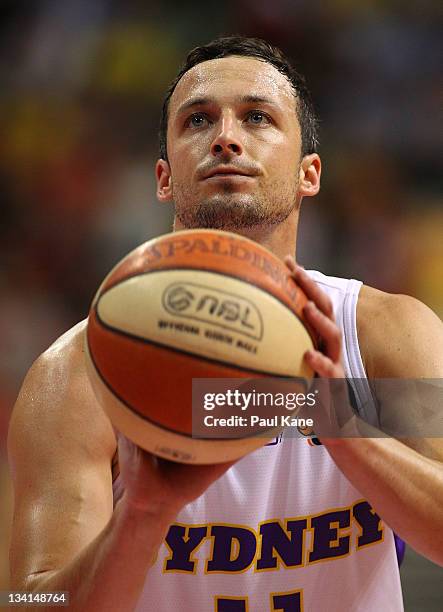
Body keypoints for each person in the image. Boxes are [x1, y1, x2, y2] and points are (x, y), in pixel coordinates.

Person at [8, 36, 443, 612]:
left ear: (309, 173)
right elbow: (28, 603)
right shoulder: (78, 376)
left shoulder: (386, 335)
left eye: (257, 117)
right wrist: (141, 515)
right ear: (163, 179)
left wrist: (342, 428)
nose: (226, 137)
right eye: (198, 120)